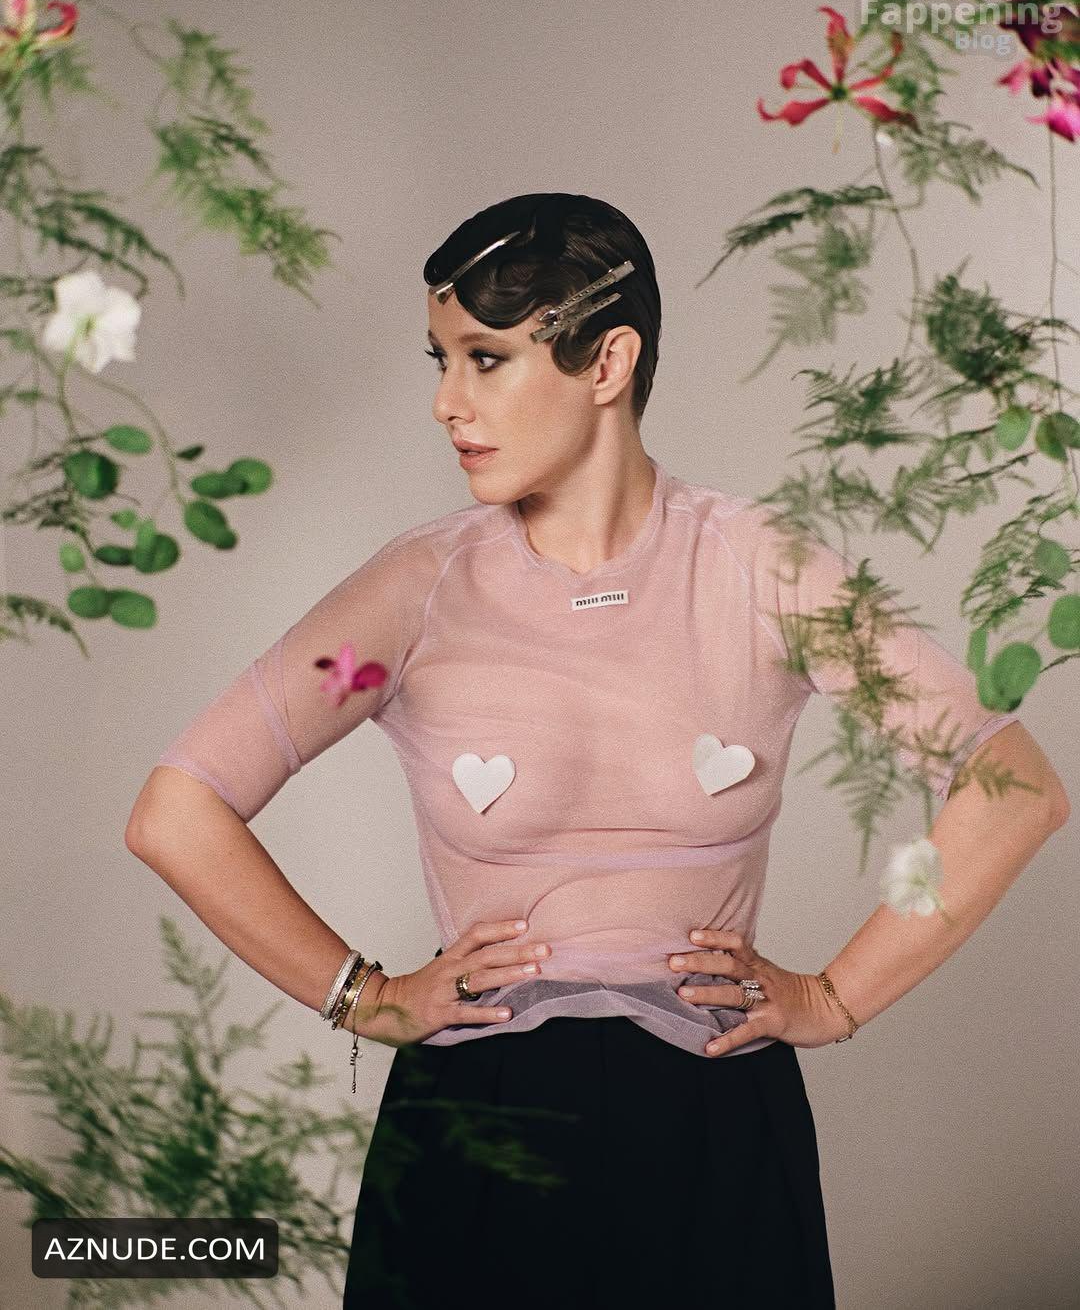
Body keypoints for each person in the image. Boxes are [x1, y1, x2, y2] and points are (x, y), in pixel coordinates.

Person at [126, 192, 1069, 1310]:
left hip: (716, 1129)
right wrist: (365, 997)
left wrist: (836, 995)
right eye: (440, 359)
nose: (445, 402)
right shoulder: (412, 592)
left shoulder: (763, 569)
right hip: (475, 1130)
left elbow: (1013, 786)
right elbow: (179, 810)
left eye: (485, 359)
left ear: (608, 361)